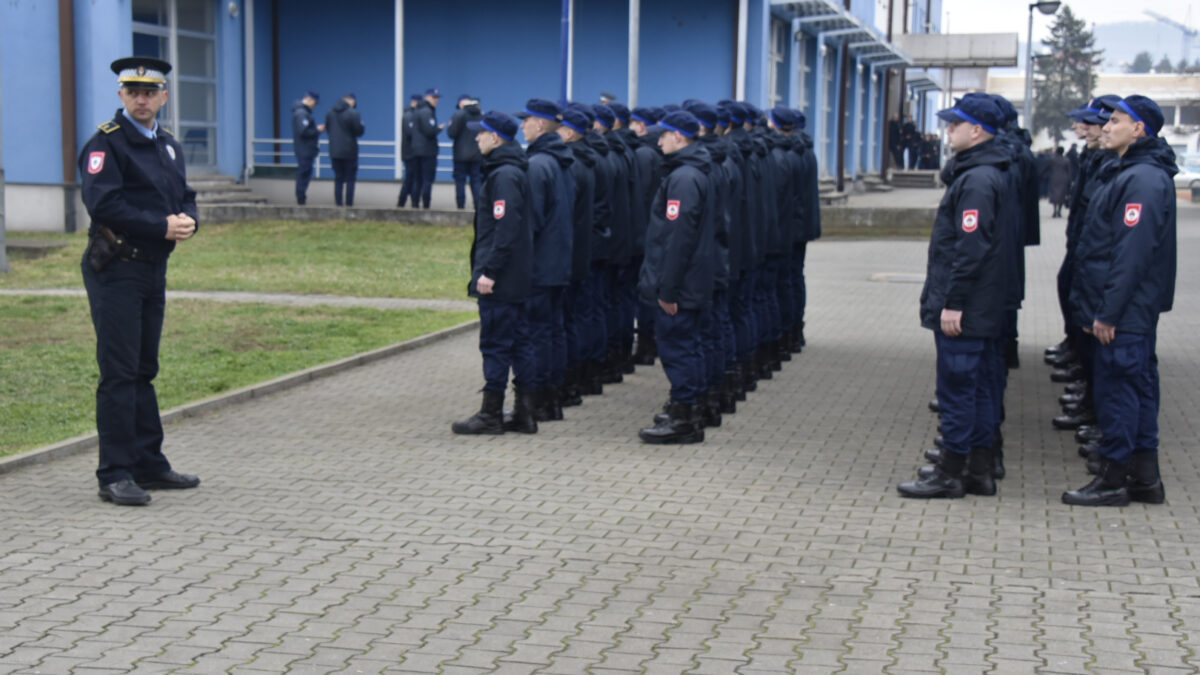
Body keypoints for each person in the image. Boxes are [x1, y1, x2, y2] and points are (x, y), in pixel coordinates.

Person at [78, 56, 201, 506]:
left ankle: (149, 463)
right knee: (120, 372)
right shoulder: (106, 144)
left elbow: (184, 196)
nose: (142, 99)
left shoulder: (168, 145)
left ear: (164, 97)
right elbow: (104, 204)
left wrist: (189, 221)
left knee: (145, 369)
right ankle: (114, 472)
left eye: (150, 92)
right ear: (121, 96)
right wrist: (161, 225)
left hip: (152, 267)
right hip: (116, 269)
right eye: (133, 91)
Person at [1063, 95, 1177, 507]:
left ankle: (1114, 479)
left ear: (1139, 129)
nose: (1105, 127)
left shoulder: (1143, 179)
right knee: (1137, 388)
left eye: (1115, 120)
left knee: (1120, 393)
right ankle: (1145, 479)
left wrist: (1107, 312)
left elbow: (1131, 253)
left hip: (1123, 312)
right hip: (1127, 309)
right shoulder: (1131, 171)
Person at [898, 95, 1012, 499]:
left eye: (954, 125)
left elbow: (971, 248)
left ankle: (950, 472)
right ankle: (977, 469)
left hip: (967, 306)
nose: (948, 131)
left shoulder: (978, 179)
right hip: (978, 304)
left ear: (977, 130)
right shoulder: (978, 172)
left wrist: (954, 302)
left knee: (958, 387)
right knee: (976, 386)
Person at [451, 111, 536, 435]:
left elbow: (506, 228)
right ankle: (525, 412)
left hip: (501, 279)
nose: (476, 138)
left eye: (481, 134)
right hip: (516, 276)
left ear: (496, 138)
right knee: (520, 343)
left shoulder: (504, 175)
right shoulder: (510, 170)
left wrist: (489, 271)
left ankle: (491, 414)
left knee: (497, 344)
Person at [637, 110, 717, 445]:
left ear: (679, 138)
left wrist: (667, 289)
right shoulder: (689, 172)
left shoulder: (684, 178)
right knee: (688, 346)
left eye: (664, 136)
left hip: (680, 285)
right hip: (690, 281)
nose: (659, 142)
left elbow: (678, 237)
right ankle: (688, 410)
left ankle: (684, 420)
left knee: (679, 348)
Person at [515, 99, 574, 423]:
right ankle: (550, 399)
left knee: (533, 335)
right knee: (552, 332)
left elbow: (531, 222)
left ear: (539, 125)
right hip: (557, 264)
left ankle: (533, 400)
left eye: (526, 121)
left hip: (539, 267)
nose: (522, 126)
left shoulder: (538, 165)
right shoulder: (561, 161)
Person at [325, 93, 365, 207]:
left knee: (338, 178)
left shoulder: (330, 113)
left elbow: (328, 129)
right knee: (350, 179)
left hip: (334, 151)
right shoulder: (354, 113)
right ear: (352, 101)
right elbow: (359, 131)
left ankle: (338, 203)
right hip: (350, 151)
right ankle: (349, 204)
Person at [447, 94, 484, 210]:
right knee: (477, 181)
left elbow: (452, 134)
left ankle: (460, 207)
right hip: (478, 154)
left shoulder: (459, 115)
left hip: (460, 155)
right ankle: (478, 206)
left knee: (460, 182)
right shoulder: (481, 116)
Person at [411, 88, 443, 209]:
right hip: (427, 151)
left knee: (417, 180)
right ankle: (426, 206)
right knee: (427, 180)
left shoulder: (417, 111)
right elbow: (429, 131)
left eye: (437, 98)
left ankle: (415, 204)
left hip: (416, 150)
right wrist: (439, 129)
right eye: (434, 97)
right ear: (427, 98)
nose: (437, 100)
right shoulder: (427, 112)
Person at [291, 90, 324, 205]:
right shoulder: (302, 113)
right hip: (305, 149)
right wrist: (317, 130)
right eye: (315, 103)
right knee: (304, 173)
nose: (315, 106)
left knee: (305, 173)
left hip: (305, 148)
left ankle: (301, 197)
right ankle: (301, 199)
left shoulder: (302, 112)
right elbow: (304, 131)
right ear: (309, 100)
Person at [397, 94, 420, 207]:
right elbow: (411, 133)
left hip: (409, 152)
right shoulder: (409, 115)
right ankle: (403, 202)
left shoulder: (408, 114)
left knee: (411, 178)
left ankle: (408, 202)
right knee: (411, 179)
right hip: (410, 153)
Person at [1046, 146, 1072, 218]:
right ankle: (1059, 211)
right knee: (1062, 195)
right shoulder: (1066, 160)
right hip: (1063, 178)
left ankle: (1054, 210)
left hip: (1054, 178)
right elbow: (1069, 171)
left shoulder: (1052, 159)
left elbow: (1048, 168)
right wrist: (1070, 180)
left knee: (1054, 195)